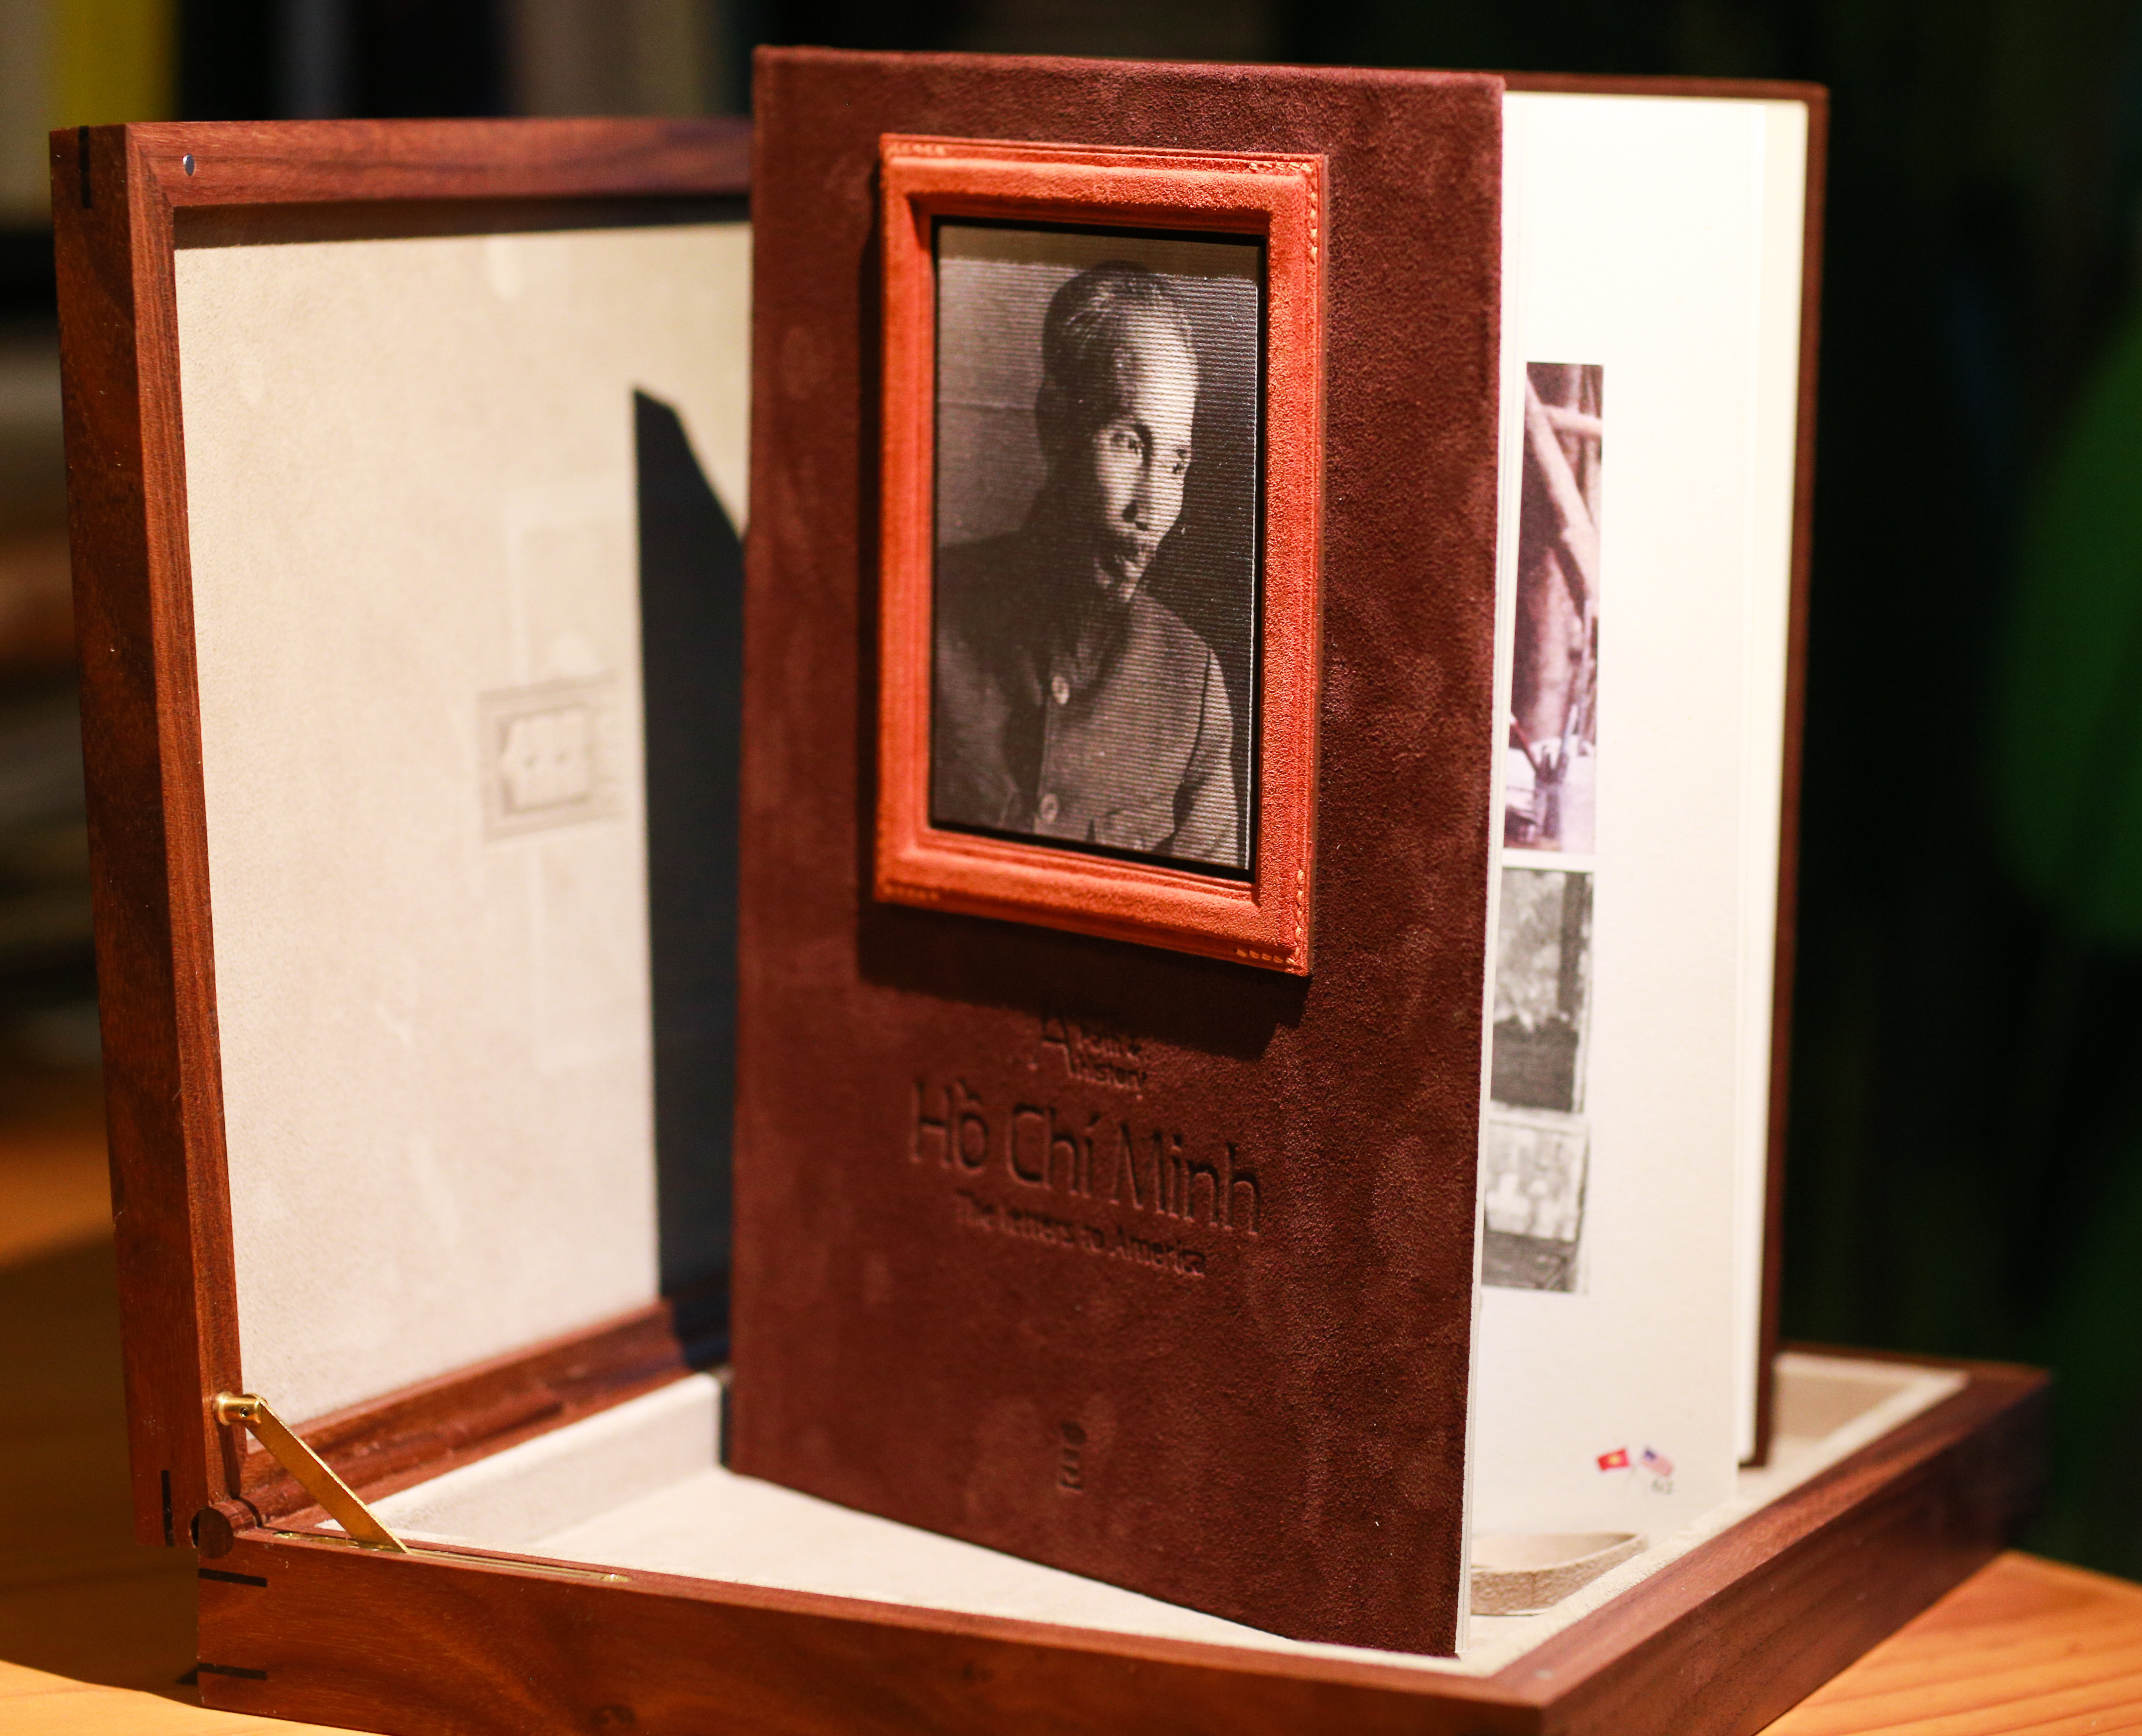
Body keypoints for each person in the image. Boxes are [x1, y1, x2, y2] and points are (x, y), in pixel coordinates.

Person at [932, 260, 1242, 870]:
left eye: (1176, 465)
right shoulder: (927, 610)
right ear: (1056, 426)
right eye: (1130, 443)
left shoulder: (1195, 687)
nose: (1153, 510)